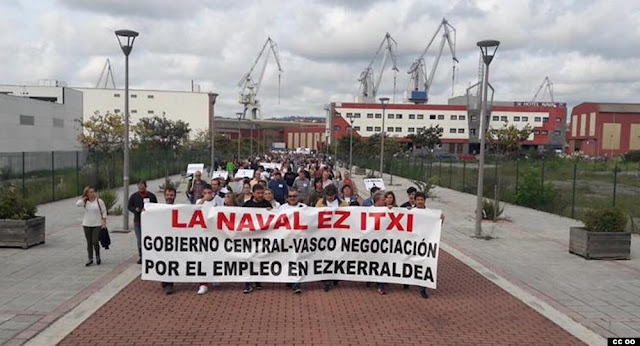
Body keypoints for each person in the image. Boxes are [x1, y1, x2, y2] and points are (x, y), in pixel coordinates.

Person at [412, 191, 445, 299]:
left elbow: (436, 225)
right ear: (415, 201)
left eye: (422, 200)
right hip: (412, 242)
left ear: (424, 201)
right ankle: (406, 282)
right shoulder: (411, 211)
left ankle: (423, 288)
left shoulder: (430, 213)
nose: (420, 202)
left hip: (425, 243)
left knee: (425, 263)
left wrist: (440, 220)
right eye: (418, 200)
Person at [241, 184, 272, 293]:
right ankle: (248, 283)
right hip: (249, 237)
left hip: (262, 238)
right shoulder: (246, 205)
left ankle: (258, 280)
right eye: (258, 193)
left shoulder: (267, 204)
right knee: (249, 260)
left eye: (262, 193)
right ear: (253, 193)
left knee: (260, 259)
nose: (260, 195)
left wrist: (271, 212)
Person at [279, 188, 306, 294]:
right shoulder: (282, 208)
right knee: (287, 261)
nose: (292, 198)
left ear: (298, 197)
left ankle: (296, 284)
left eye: (294, 196)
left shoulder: (304, 208)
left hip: (299, 240)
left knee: (297, 261)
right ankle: (289, 280)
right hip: (286, 239)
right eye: (290, 196)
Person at [76, 186, 107, 266]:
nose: (92, 193)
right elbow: (78, 204)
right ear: (87, 193)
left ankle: (97, 255)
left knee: (95, 241)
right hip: (87, 224)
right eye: (90, 192)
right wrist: (84, 198)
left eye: (93, 192)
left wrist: (104, 222)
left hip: (97, 224)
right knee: (89, 242)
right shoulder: (85, 202)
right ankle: (90, 258)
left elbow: (104, 211)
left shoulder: (99, 201)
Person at [128, 180, 157, 264]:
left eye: (142, 185)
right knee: (140, 240)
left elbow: (156, 206)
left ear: (145, 186)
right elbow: (129, 206)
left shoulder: (151, 196)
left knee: (149, 239)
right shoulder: (134, 196)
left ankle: (150, 255)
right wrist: (135, 210)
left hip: (149, 222)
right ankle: (141, 256)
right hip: (138, 222)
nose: (140, 187)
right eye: (139, 185)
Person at [161, 187, 177, 294]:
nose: (169, 197)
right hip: (162, 239)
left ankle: (169, 284)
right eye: (167, 195)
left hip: (174, 240)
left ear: (175, 196)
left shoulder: (179, 208)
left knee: (171, 261)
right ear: (164, 196)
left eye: (171, 195)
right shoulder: (159, 209)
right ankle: (164, 280)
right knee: (162, 260)